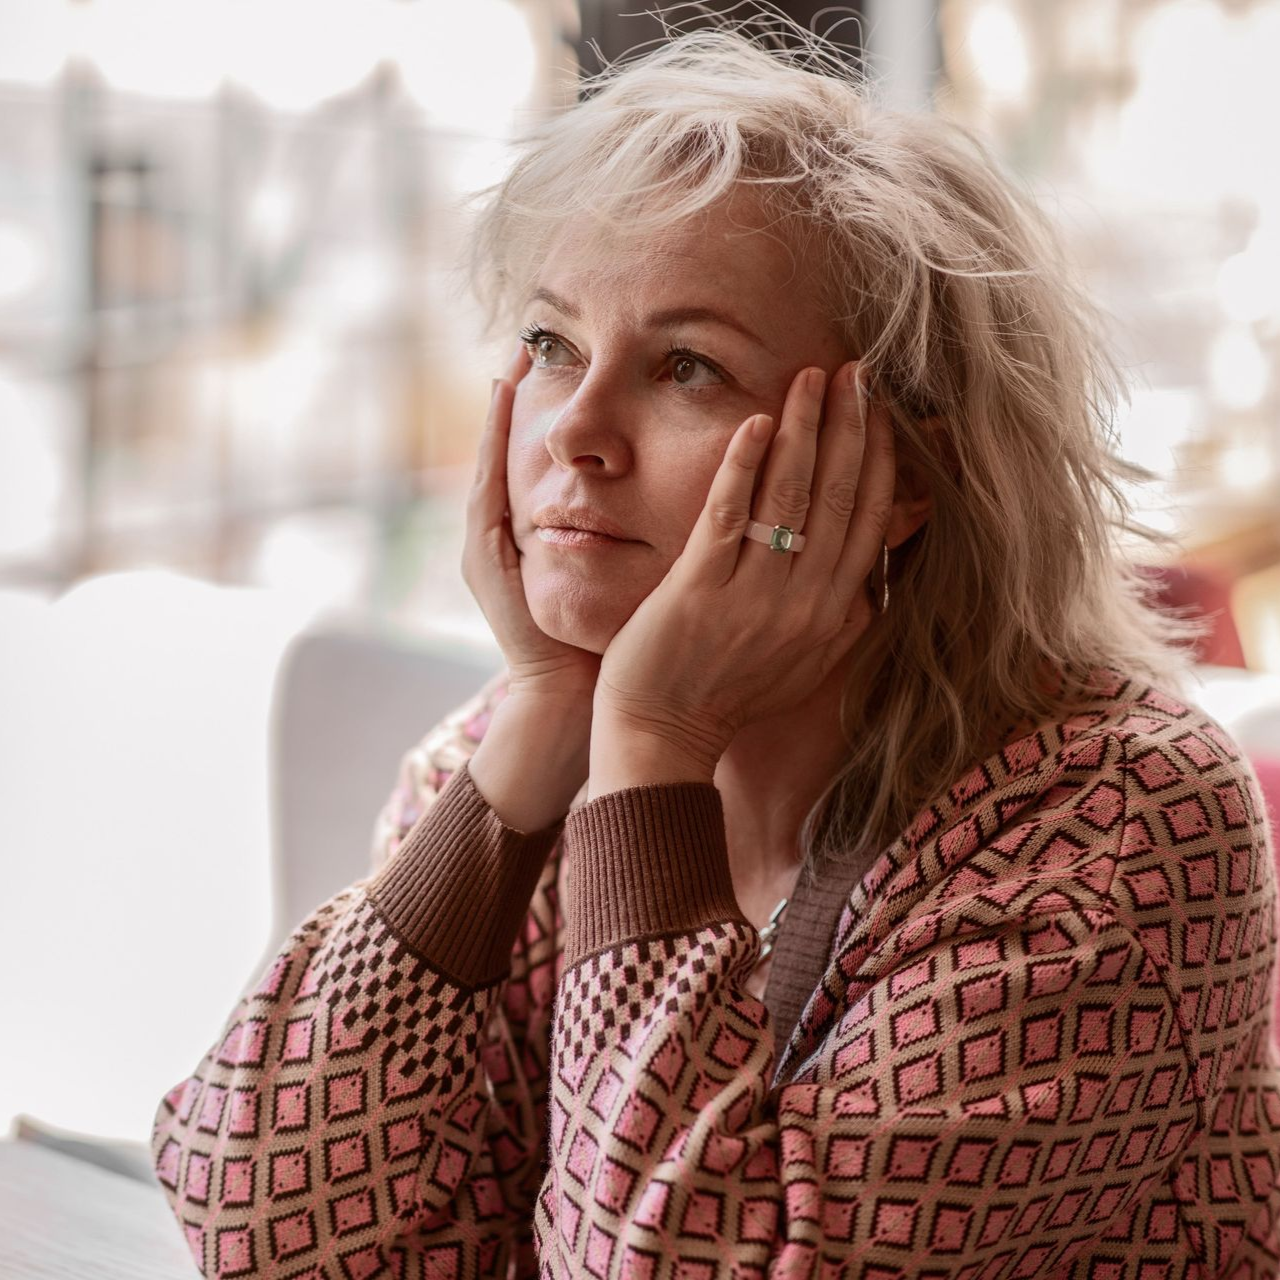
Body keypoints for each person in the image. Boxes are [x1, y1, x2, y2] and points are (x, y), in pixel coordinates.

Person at [151, 23, 1280, 1279]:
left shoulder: (1118, 820)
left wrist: (652, 753)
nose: (573, 429)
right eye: (548, 344)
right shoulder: (509, 754)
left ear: (897, 472)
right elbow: (264, 1233)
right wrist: (534, 739)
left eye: (684, 365)